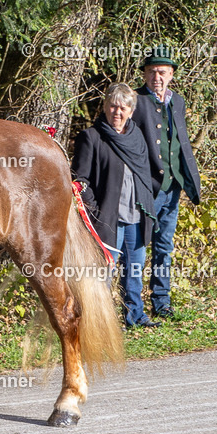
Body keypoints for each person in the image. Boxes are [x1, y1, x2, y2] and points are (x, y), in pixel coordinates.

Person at [71, 83, 157, 329]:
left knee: (134, 271)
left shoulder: (136, 135)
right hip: (108, 218)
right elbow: (80, 179)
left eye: (123, 108)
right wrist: (94, 210)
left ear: (131, 111)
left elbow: (145, 171)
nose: (117, 112)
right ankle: (102, 322)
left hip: (136, 216)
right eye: (112, 106)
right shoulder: (92, 137)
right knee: (104, 274)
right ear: (105, 106)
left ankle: (135, 316)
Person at [132, 46, 201, 318]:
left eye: (162, 72)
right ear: (145, 75)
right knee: (137, 249)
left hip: (174, 188)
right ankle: (134, 308)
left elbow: (180, 143)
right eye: (151, 72)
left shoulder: (178, 101)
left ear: (171, 74)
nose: (156, 77)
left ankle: (162, 304)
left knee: (164, 247)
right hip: (146, 187)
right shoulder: (135, 100)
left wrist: (189, 181)